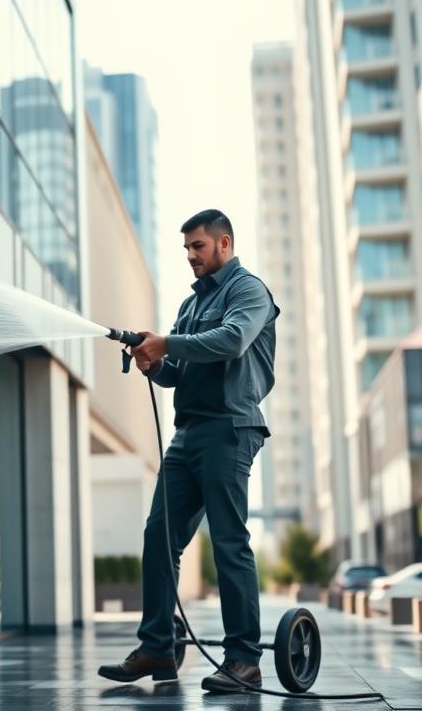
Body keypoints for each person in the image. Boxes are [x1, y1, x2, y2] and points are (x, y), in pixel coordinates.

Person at [98, 209, 279, 693]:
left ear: (224, 243)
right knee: (158, 537)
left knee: (228, 541)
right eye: (186, 249)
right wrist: (154, 363)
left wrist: (166, 343)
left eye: (197, 246)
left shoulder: (248, 291)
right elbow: (178, 371)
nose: (191, 256)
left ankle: (244, 659)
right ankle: (157, 645)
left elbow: (232, 340)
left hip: (230, 428)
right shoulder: (190, 304)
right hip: (188, 433)